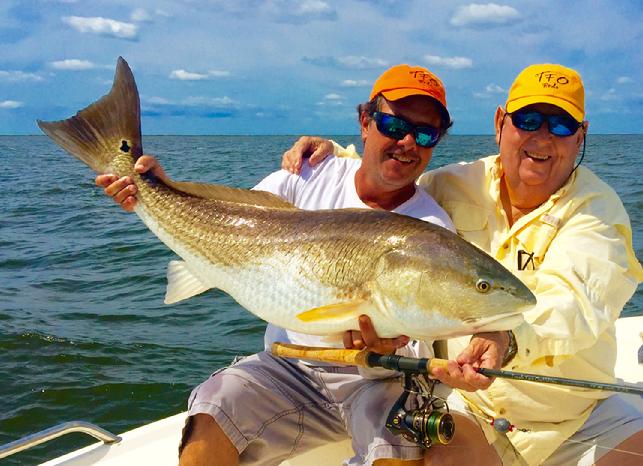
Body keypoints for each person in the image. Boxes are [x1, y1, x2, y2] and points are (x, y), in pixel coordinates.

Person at [96, 64, 509, 466]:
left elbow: (419, 333)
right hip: (287, 368)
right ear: (365, 122)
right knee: (211, 408)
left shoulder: (431, 229)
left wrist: (388, 346)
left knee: (398, 449)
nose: (408, 143)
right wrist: (155, 188)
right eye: (396, 126)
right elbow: (230, 214)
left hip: (377, 380)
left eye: (425, 133)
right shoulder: (309, 171)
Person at [282, 63, 643, 465]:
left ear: (581, 136)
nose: (542, 137)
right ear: (500, 123)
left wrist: (507, 339)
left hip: (578, 413)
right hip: (468, 404)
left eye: (560, 125)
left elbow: (576, 300)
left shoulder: (599, 212)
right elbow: (389, 181)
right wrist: (334, 156)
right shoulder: (453, 185)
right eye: (527, 119)